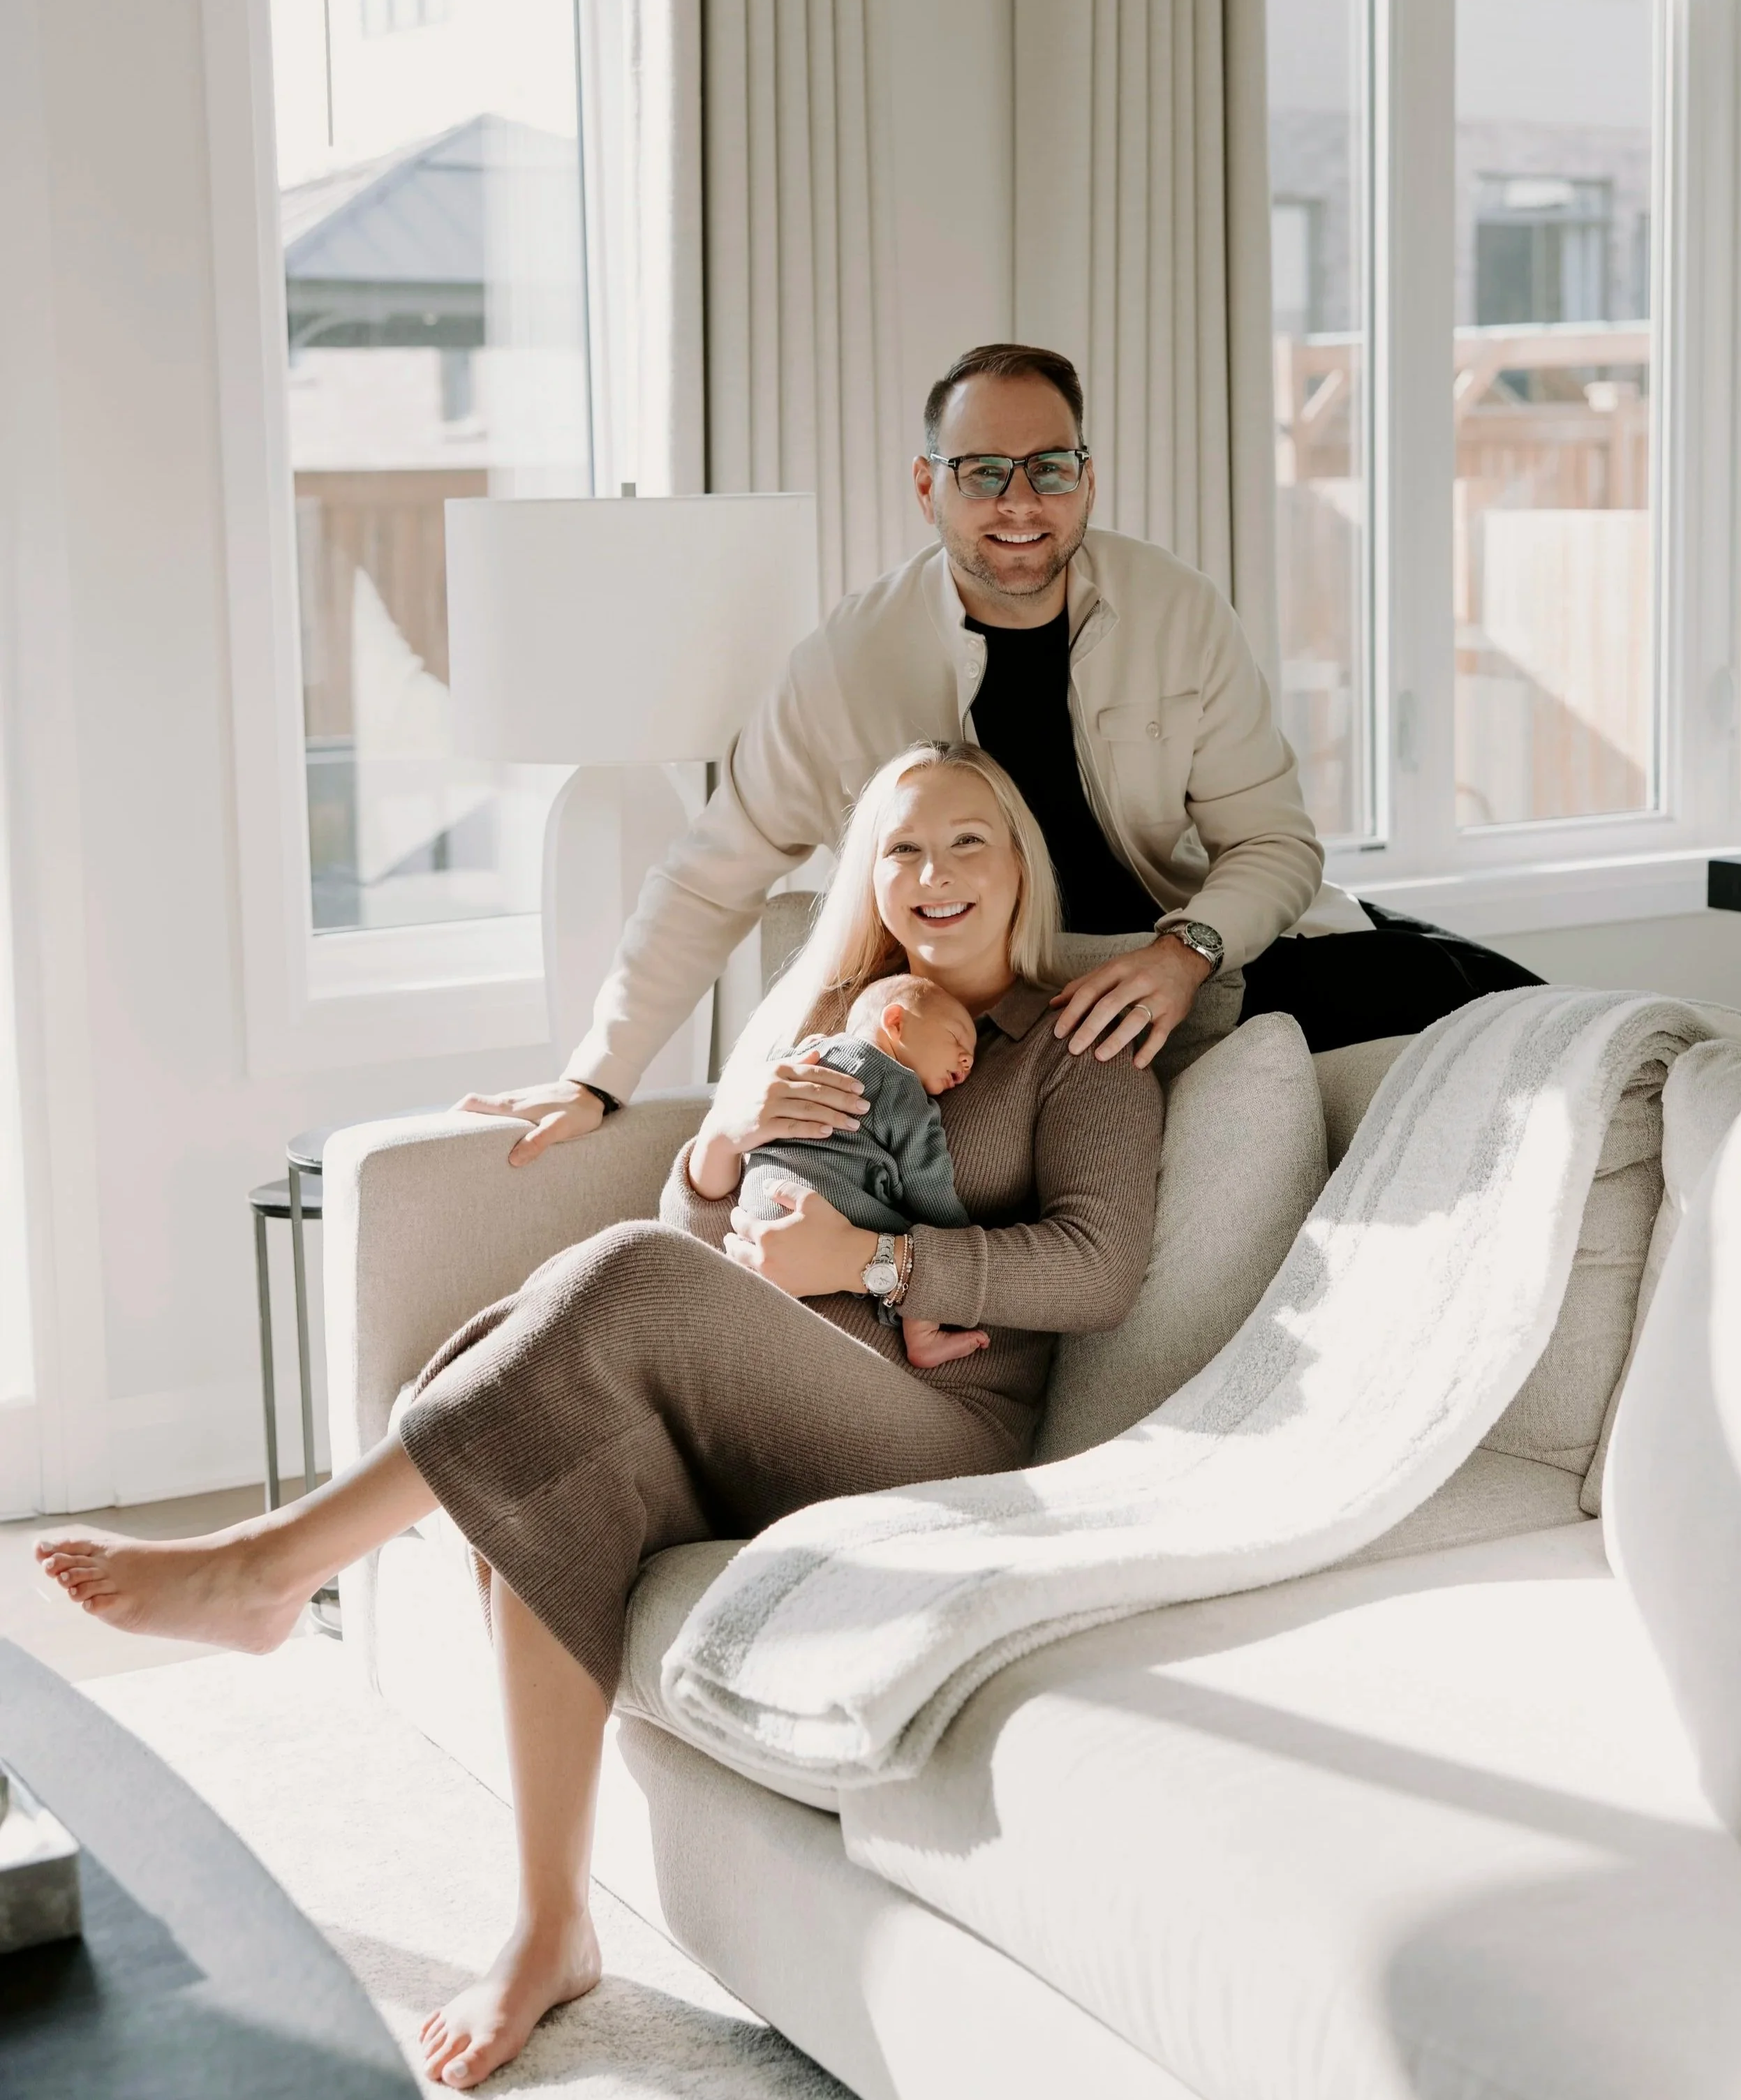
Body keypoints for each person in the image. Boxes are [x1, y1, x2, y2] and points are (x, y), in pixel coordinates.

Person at [35, 742, 1161, 2092]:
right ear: (869, 875)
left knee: (613, 1275)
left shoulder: (1077, 1040)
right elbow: (709, 1237)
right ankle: (550, 1926)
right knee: (553, 1447)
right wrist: (723, 1144)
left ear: (1022, 865)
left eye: (969, 843)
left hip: (931, 1429)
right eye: (902, 848)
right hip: (758, 1398)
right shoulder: (828, 1013)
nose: (934, 875)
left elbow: (1097, 1264)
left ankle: (277, 1561)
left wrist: (877, 1265)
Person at [463, 342, 1535, 1167]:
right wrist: (596, 1078)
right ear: (927, 487)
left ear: (1088, 480)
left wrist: (1186, 951)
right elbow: (711, 877)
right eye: (984, 472)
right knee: (1459, 989)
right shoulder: (849, 661)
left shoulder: (1174, 606)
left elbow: (1274, 844)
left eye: (1050, 467)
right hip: (1024, 1003)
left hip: (1199, 964)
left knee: (1493, 993)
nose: (1020, 502)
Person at [740, 970, 987, 1372]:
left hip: (759, 1196)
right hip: (825, 1197)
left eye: (970, 1053)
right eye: (957, 1038)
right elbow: (928, 1178)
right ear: (896, 1022)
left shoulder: (811, 1053)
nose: (967, 1058)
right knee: (918, 1243)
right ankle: (922, 1335)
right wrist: (953, 1239)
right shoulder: (899, 1086)